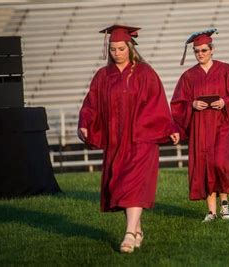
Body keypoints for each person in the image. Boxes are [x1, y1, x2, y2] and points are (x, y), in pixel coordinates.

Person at [77, 25, 180, 253]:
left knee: (134, 183)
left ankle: (129, 233)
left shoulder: (145, 73)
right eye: (113, 49)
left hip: (142, 139)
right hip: (117, 141)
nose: (117, 53)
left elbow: (158, 103)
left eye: (121, 48)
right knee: (121, 186)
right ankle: (138, 229)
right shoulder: (103, 76)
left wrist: (169, 126)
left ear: (130, 47)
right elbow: (91, 104)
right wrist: (84, 123)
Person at [171, 28, 229, 222]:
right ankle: (211, 211)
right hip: (200, 128)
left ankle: (225, 203)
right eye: (197, 51)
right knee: (205, 166)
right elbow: (178, 104)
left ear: (212, 49)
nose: (200, 54)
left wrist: (225, 102)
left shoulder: (226, 70)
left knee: (220, 163)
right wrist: (192, 104)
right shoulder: (188, 76)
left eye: (204, 50)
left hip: (222, 125)